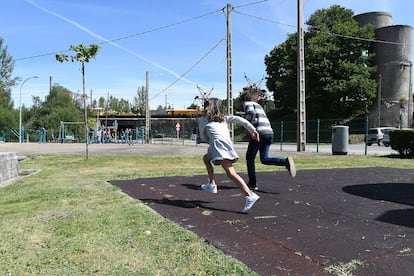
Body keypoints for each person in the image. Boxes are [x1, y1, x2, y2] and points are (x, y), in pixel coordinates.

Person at [198, 98, 261, 213]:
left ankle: (250, 195)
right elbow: (240, 119)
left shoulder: (203, 119)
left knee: (230, 173)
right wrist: (253, 130)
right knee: (206, 159)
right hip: (222, 143)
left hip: (218, 145)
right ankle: (212, 184)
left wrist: (206, 139)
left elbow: (203, 137)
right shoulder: (224, 119)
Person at [242, 88, 296, 191]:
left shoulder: (247, 104)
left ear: (245, 98)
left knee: (250, 158)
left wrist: (248, 132)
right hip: (269, 133)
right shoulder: (259, 106)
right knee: (264, 159)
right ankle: (285, 162)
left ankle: (252, 183)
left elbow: (250, 115)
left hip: (259, 133)